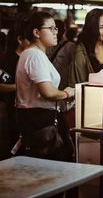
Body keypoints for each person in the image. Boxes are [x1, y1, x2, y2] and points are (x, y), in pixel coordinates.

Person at [15, 11, 75, 161]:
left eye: (56, 28)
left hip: (39, 119)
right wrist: (67, 93)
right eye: (51, 29)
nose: (56, 32)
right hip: (39, 121)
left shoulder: (35, 54)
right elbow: (48, 92)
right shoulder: (34, 55)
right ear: (36, 32)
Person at [0, 20, 30, 160]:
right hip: (13, 113)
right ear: (20, 40)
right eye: (29, 38)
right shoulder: (9, 60)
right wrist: (20, 85)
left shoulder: (30, 57)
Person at [68, 8, 103, 87]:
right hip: (90, 97)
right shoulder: (81, 51)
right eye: (101, 27)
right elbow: (77, 83)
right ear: (92, 28)